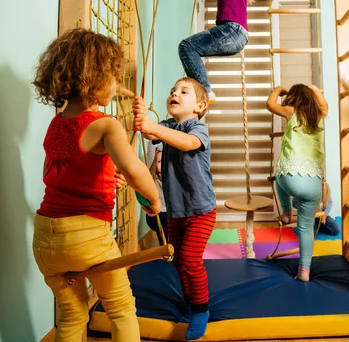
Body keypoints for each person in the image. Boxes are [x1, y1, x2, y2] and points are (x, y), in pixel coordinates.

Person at [31, 28, 161, 342]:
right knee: (120, 307)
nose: (117, 86)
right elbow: (135, 171)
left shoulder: (56, 123)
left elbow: (53, 173)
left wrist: (102, 178)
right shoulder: (106, 125)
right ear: (96, 78)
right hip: (87, 237)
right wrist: (154, 198)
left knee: (72, 314)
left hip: (45, 237)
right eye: (114, 77)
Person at [132, 77, 216, 341]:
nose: (174, 94)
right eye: (172, 91)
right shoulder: (166, 126)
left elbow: (187, 143)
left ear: (199, 106)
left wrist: (155, 129)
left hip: (201, 210)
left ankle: (201, 309)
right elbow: (149, 132)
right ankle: (191, 300)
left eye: (183, 92)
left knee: (191, 261)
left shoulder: (197, 128)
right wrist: (140, 114)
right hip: (176, 211)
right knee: (178, 261)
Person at [266, 84, 328, 282]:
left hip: (289, 179)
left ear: (293, 99)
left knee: (278, 176)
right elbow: (324, 103)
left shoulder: (291, 111)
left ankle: (285, 211)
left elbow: (269, 104)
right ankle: (304, 271)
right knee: (305, 228)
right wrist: (316, 89)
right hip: (313, 184)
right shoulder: (320, 113)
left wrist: (278, 90)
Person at [144, 142, 169, 245]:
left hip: (172, 213)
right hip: (157, 213)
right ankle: (164, 250)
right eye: (159, 161)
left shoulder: (173, 177)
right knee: (163, 237)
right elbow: (152, 147)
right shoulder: (153, 175)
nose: (162, 165)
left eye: (165, 162)